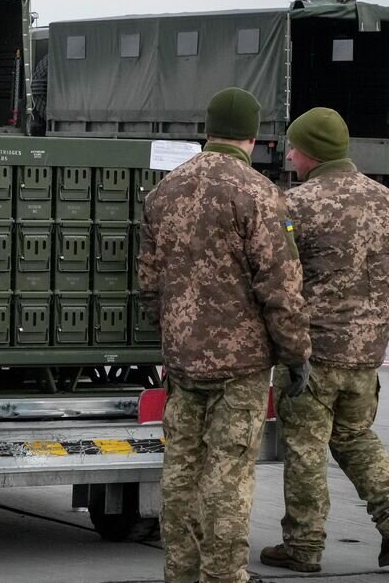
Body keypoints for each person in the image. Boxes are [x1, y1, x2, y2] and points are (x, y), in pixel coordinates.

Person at [138, 86, 311, 583]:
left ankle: (181, 571)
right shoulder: (259, 194)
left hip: (183, 360)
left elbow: (148, 283)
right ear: (253, 137)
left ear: (206, 130)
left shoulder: (165, 190)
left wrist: (173, 336)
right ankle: (223, 575)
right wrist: (295, 353)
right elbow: (280, 286)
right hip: (242, 367)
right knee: (228, 475)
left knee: (181, 472)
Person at [260, 107, 389, 573]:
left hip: (312, 353)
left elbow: (279, 282)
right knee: (356, 436)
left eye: (294, 147)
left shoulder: (297, 204)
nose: (289, 155)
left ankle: (304, 545)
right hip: (366, 355)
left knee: (305, 448)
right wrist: (370, 328)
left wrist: (286, 341)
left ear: (311, 152)